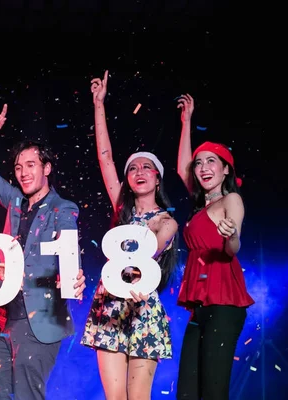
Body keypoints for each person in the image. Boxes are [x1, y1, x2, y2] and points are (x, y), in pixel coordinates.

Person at [0, 103, 86, 400]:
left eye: (31, 165)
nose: (23, 173)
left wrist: (71, 274)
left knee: (26, 396)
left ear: (47, 168)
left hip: (40, 320)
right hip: (4, 319)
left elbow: (67, 245)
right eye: (19, 167)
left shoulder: (63, 208)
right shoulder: (16, 202)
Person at [79, 71, 178, 400]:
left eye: (146, 167)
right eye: (133, 168)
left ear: (158, 178)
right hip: (109, 307)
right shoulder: (121, 208)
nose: (139, 172)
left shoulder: (167, 222)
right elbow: (104, 157)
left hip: (143, 307)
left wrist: (136, 274)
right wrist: (98, 105)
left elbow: (153, 248)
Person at [175, 94, 254, 400]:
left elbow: (232, 247)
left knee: (213, 389)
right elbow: (182, 166)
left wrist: (230, 234)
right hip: (200, 304)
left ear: (225, 170)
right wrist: (186, 121)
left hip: (224, 301)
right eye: (199, 163)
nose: (203, 167)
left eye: (212, 162)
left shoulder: (230, 199)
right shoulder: (199, 204)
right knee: (188, 391)